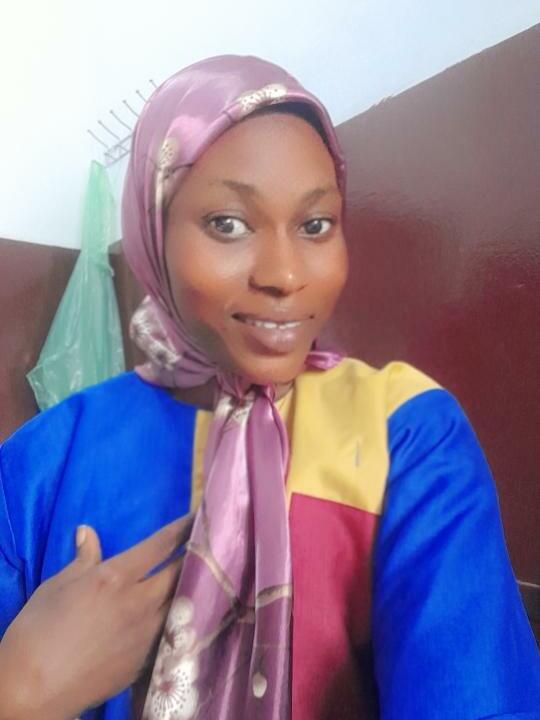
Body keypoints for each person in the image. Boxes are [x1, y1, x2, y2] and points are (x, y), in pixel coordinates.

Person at [0, 55, 538, 720]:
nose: (284, 275)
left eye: (315, 225)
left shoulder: (405, 435)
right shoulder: (40, 464)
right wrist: (19, 689)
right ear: (152, 232)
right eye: (228, 223)